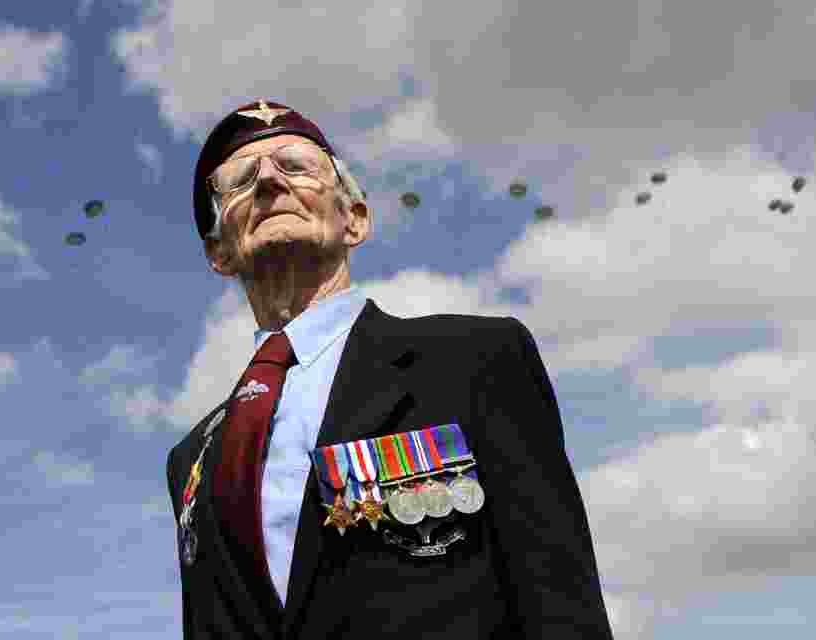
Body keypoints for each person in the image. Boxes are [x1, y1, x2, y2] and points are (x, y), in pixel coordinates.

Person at [166, 99, 614, 639]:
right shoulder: (191, 460)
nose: (269, 183)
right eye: (240, 180)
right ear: (218, 253)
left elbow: (561, 601)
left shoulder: (476, 360)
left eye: (296, 166)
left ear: (354, 220)